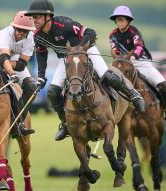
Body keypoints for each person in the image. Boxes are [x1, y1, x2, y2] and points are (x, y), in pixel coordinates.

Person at [24, 0, 145, 141]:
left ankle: (134, 94)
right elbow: (41, 54)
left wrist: (80, 49)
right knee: (53, 91)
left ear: (48, 17)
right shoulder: (37, 36)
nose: (34, 20)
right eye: (33, 17)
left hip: (87, 51)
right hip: (67, 58)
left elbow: (90, 32)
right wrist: (41, 76)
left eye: (37, 17)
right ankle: (65, 124)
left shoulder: (65, 25)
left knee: (106, 75)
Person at [109, 5, 166, 126]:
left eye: (122, 20)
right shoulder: (113, 34)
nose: (119, 22)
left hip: (141, 62)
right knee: (108, 83)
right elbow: (115, 51)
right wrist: (122, 60)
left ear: (128, 21)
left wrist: (132, 58)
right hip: (123, 63)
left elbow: (139, 47)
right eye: (117, 20)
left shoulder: (134, 32)